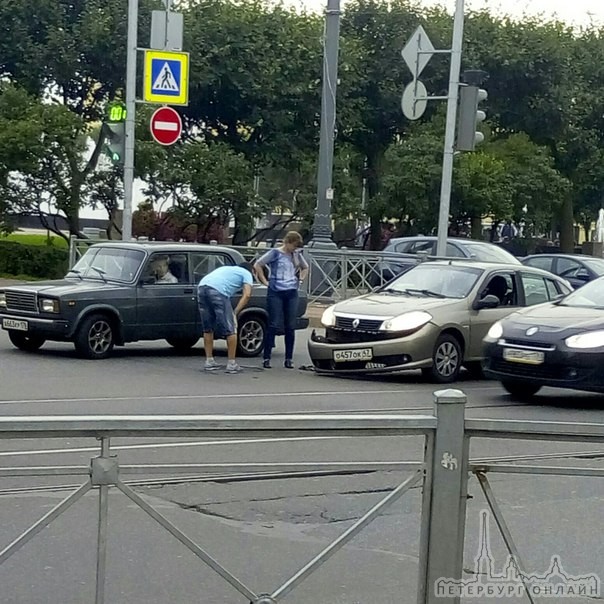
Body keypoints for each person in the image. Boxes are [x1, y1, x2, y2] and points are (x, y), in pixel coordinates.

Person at [254, 231, 309, 369]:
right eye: (294, 246)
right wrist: (265, 281)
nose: (294, 249)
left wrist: (300, 279)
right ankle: (267, 357)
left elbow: (305, 267)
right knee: (273, 323)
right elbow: (258, 264)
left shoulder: (296, 255)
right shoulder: (275, 253)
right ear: (288, 242)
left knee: (290, 325)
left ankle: (288, 358)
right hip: (276, 291)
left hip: (291, 292)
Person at [197, 262, 253, 373]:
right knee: (230, 328)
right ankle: (231, 363)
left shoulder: (226, 269)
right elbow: (247, 295)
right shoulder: (247, 273)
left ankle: (209, 361)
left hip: (202, 287)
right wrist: (235, 312)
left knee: (208, 328)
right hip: (218, 291)